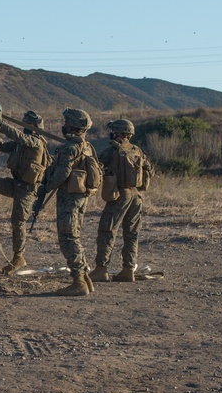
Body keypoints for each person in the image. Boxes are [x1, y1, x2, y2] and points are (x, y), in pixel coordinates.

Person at [36, 108, 100, 297]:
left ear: (73, 126)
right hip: (80, 198)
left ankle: (79, 280)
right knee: (75, 236)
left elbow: (62, 173)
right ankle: (85, 279)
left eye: (66, 123)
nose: (63, 126)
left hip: (69, 199)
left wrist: (46, 187)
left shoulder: (70, 147)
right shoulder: (87, 146)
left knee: (68, 237)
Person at [91, 119, 153, 284]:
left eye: (114, 131)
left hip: (120, 195)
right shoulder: (137, 150)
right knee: (131, 234)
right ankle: (128, 270)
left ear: (119, 133)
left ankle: (101, 269)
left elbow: (96, 165)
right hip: (137, 197)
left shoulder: (112, 150)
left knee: (107, 231)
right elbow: (149, 170)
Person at [0, 110, 50, 274]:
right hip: (16, 184)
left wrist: (1, 124)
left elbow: (20, 137)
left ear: (36, 128)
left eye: (28, 124)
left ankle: (18, 257)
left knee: (18, 221)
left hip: (27, 189)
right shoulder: (22, 143)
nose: (25, 127)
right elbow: (4, 146)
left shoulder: (35, 142)